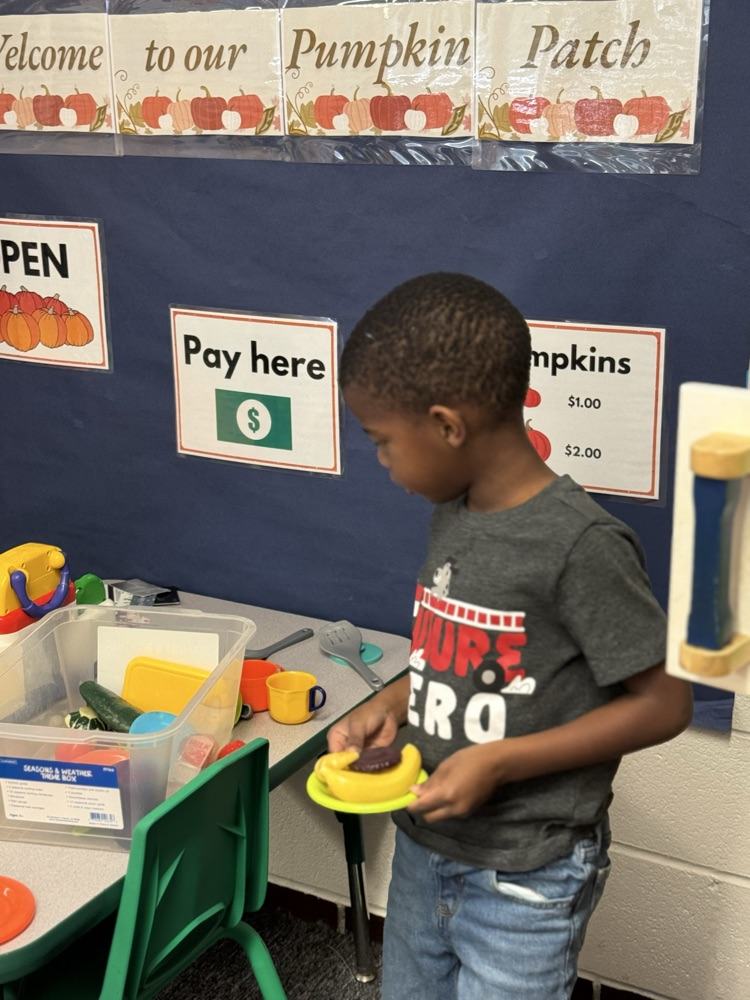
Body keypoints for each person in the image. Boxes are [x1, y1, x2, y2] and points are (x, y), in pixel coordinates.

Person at [328, 272, 693, 1000]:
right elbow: (471, 650)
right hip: (425, 848)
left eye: (384, 442)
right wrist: (397, 699)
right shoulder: (454, 512)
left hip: (527, 874)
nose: (382, 462)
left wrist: (502, 761)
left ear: (446, 425)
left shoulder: (580, 543)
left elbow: (665, 705)